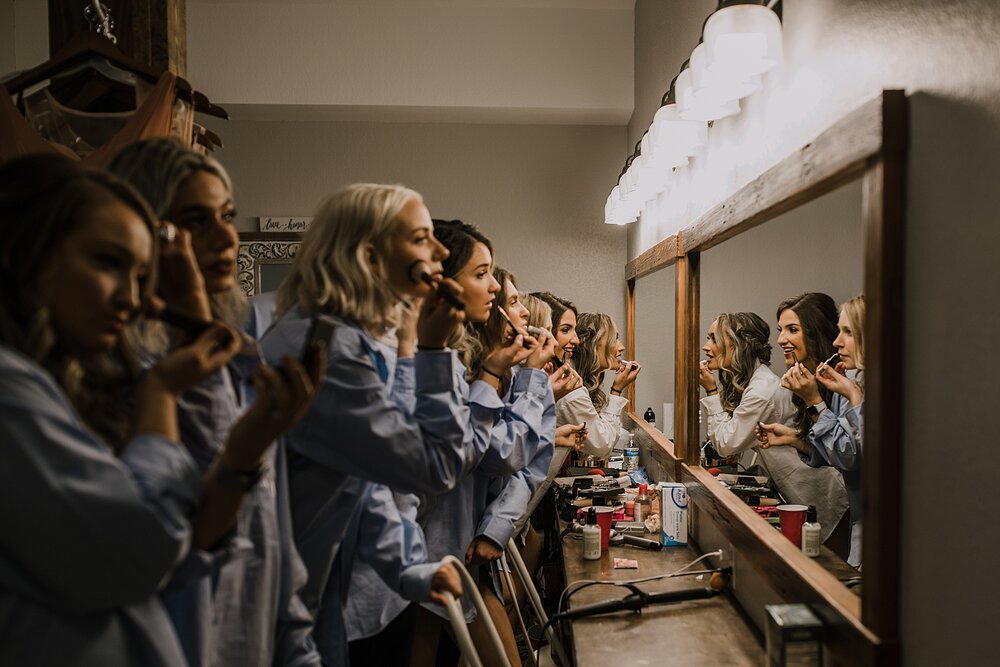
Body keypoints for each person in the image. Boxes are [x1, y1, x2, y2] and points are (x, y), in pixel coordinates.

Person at [0, 154, 277, 666]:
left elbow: (245, 543)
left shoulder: (90, 374)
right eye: (108, 262)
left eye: (138, 272)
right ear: (25, 253)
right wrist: (163, 394)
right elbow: (151, 544)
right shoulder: (40, 388)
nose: (130, 298)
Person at [108, 137, 323, 667]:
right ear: (145, 232)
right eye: (196, 221)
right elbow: (178, 535)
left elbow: (270, 539)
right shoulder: (119, 376)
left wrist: (297, 649)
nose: (227, 237)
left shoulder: (240, 362)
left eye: (227, 215)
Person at [260, 183, 468, 665]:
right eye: (421, 239)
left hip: (311, 583)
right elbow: (434, 466)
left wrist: (411, 569)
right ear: (370, 257)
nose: (439, 251)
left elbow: (362, 481)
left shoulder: (346, 338)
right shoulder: (327, 351)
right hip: (274, 598)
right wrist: (433, 351)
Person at [698, 311, 847, 544]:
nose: (707, 346)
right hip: (799, 491)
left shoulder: (761, 390)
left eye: (714, 338)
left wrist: (710, 392)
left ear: (739, 345)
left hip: (821, 495)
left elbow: (726, 444)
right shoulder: (756, 381)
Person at [758, 296, 865, 566]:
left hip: (848, 510)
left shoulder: (850, 381)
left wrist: (814, 401)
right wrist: (796, 440)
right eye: (780, 329)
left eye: (792, 329)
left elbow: (850, 455)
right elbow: (839, 449)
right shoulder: (837, 376)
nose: (781, 339)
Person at [561, 312, 641, 459]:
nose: (621, 347)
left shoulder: (577, 380)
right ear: (590, 344)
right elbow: (602, 445)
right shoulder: (570, 386)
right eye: (614, 338)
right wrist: (616, 391)